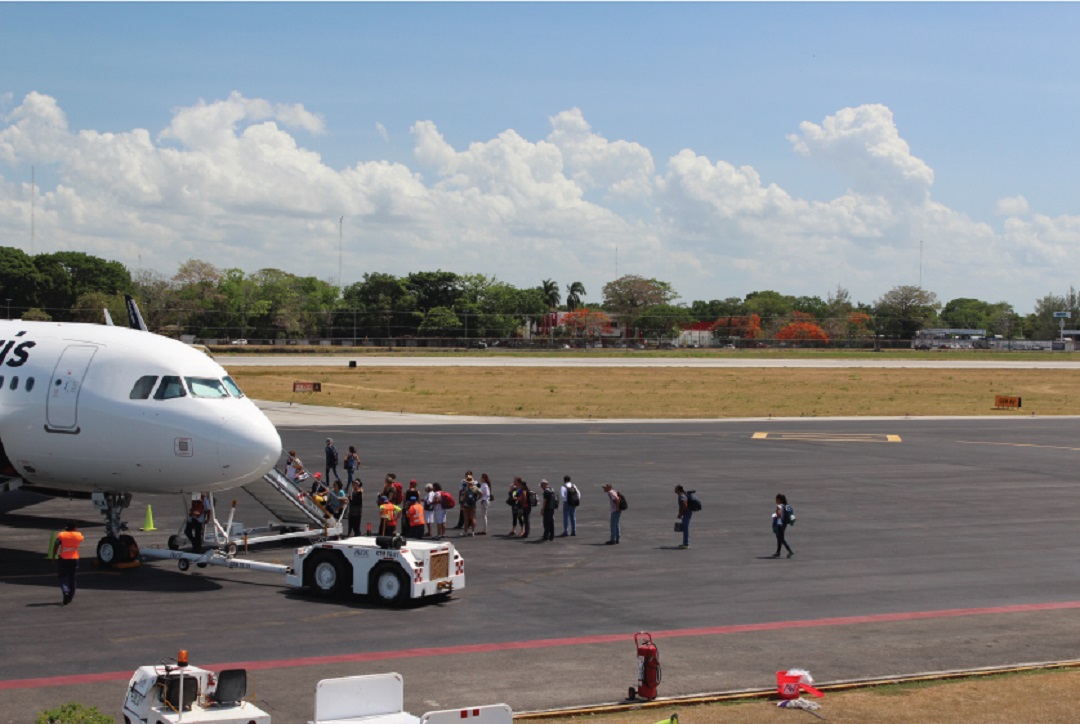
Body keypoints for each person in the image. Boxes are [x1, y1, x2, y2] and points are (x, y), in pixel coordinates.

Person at [53, 521, 84, 605]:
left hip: (63, 559)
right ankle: (70, 597)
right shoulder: (78, 535)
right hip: (74, 559)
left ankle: (65, 591)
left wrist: (53, 556)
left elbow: (56, 545)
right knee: (72, 578)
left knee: (62, 577)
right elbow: (80, 538)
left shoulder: (62, 535)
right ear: (74, 528)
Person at [771, 493, 794, 558]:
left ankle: (790, 551)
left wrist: (776, 521)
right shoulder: (787, 506)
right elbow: (792, 514)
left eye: (776, 499)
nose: (776, 500)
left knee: (781, 538)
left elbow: (779, 514)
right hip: (785, 523)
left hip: (779, 523)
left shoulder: (779, 506)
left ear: (779, 499)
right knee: (779, 538)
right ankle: (778, 552)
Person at [675, 484, 691, 549]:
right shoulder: (682, 495)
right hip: (687, 513)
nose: (674, 490)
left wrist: (680, 514)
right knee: (685, 528)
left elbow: (685, 505)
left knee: (685, 529)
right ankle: (685, 543)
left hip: (686, 514)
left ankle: (686, 544)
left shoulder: (682, 496)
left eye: (675, 489)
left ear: (678, 489)